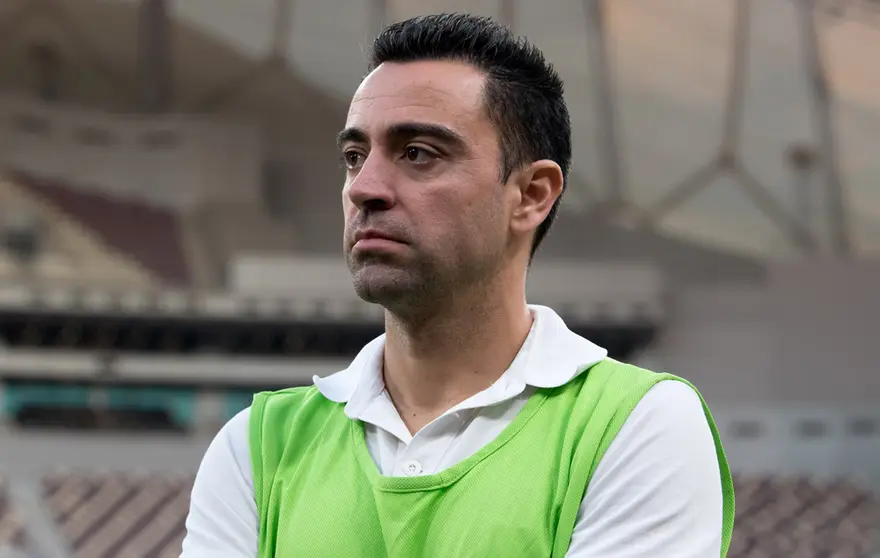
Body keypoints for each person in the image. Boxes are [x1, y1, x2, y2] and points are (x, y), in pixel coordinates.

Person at [182, 13, 735, 557]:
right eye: (355, 157)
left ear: (532, 194)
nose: (364, 188)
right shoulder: (255, 445)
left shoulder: (638, 425)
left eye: (418, 153)